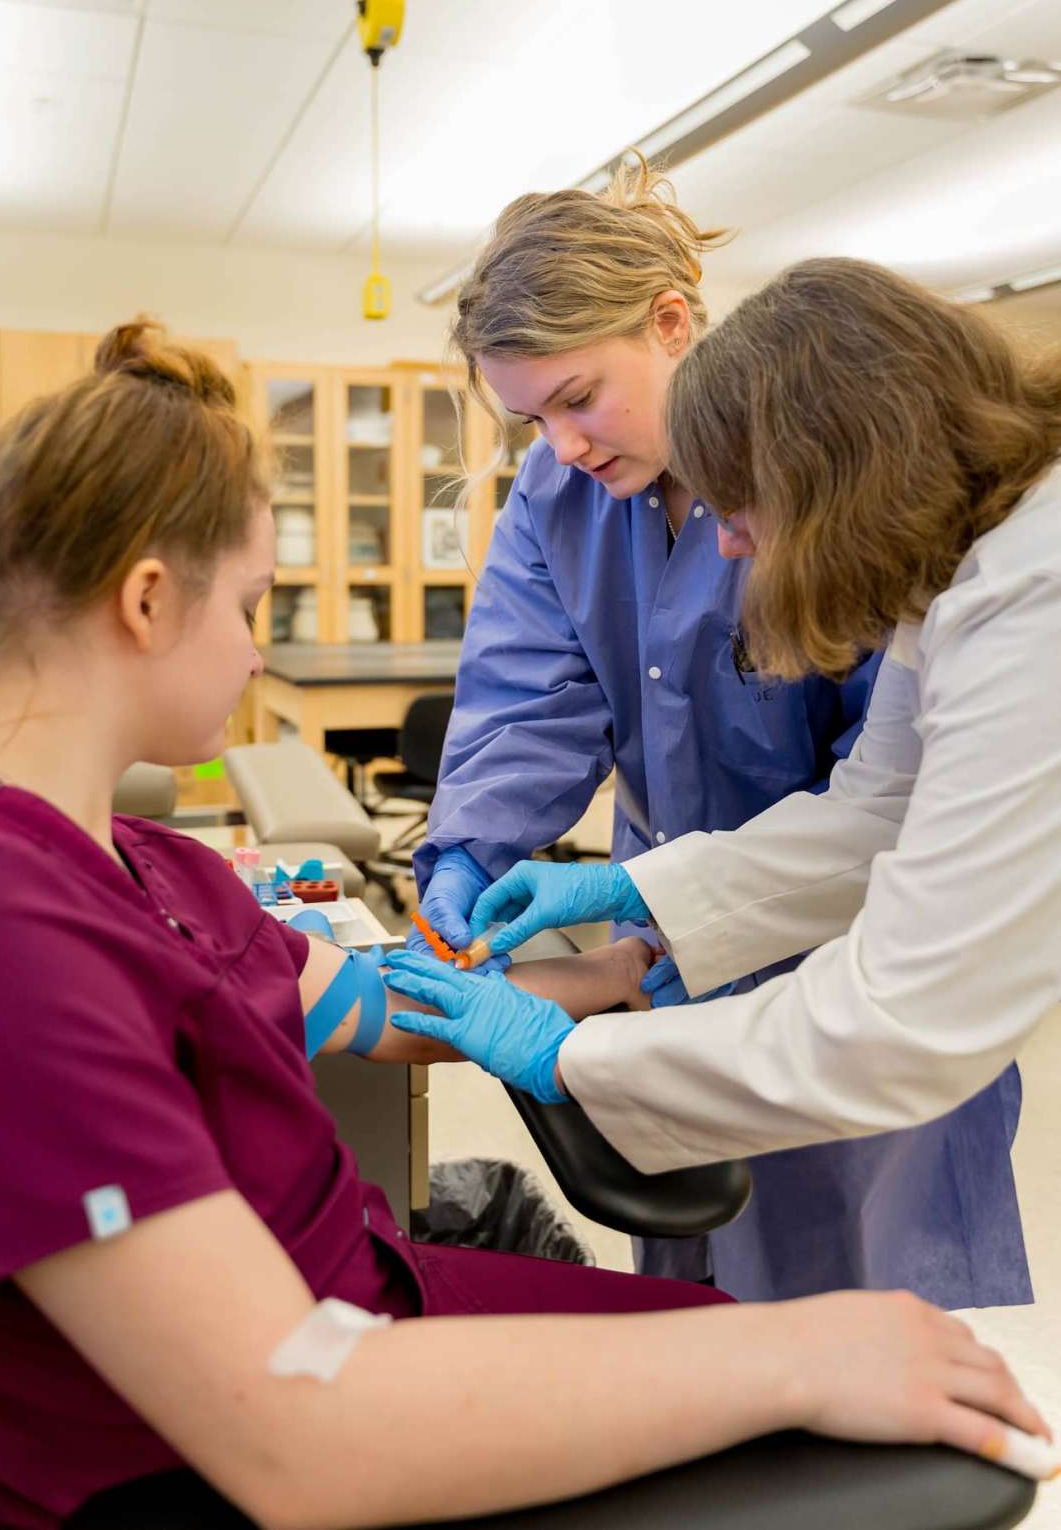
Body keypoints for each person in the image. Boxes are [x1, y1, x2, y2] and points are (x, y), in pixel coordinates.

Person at [0, 322, 1045, 1528]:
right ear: (149, 600)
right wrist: (793, 1353)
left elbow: (376, 996)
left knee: (789, 1359)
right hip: (302, 1400)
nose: (261, 651)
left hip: (370, 1306)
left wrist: (617, 953)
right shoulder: (0, 929)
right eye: (254, 604)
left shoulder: (136, 859)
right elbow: (294, 1422)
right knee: (803, 1387)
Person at [404, 159, 1027, 1311]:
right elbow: (527, 704)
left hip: (853, 948)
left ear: (671, 322)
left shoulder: (950, 557)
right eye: (531, 417)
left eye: (578, 398)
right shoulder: (561, 497)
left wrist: (595, 1009)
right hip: (696, 919)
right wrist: (508, 869)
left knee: (888, 1299)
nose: (565, 446)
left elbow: (897, 902)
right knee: (710, 1306)